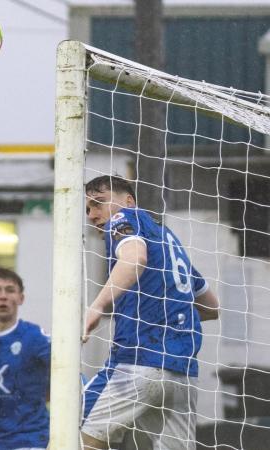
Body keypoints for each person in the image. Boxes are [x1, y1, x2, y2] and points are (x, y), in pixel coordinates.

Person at [81, 176, 220, 450]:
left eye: (99, 203)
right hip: (183, 375)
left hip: (138, 361)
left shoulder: (124, 218)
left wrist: (96, 306)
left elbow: (135, 258)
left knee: (73, 437)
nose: (92, 214)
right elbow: (211, 307)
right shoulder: (169, 241)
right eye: (87, 209)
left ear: (129, 201)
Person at [0, 268, 51, 450]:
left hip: (32, 440)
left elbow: (67, 371)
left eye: (10, 290)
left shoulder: (35, 337)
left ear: (21, 298)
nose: (3, 296)